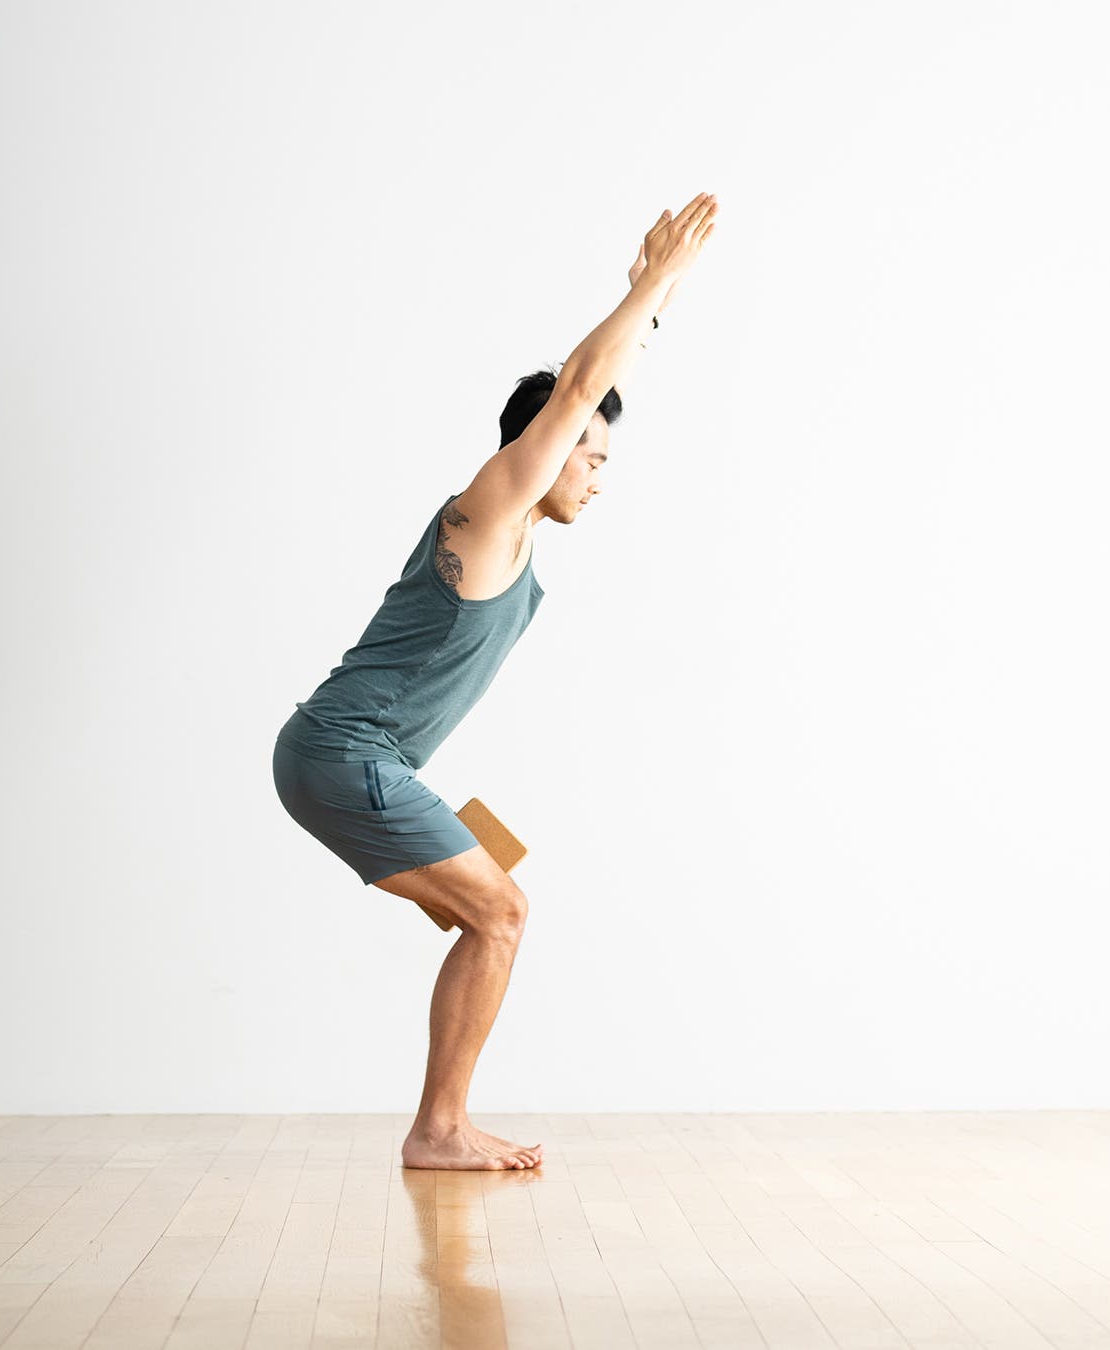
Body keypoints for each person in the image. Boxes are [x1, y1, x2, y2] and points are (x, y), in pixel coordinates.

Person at [270, 192, 721, 1171]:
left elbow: (588, 394)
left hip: (353, 755)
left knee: (492, 898)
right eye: (587, 457)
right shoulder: (489, 509)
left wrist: (662, 300)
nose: (597, 475)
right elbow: (574, 395)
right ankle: (439, 1130)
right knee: (503, 912)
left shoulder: (515, 541)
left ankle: (441, 1123)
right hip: (342, 753)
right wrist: (645, 285)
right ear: (543, 452)